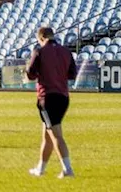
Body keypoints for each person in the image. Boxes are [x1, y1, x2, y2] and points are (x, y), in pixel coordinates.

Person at [26, 26, 77, 178]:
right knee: (47, 135)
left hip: (47, 97)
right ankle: (40, 169)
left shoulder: (40, 51)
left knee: (55, 135)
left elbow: (31, 74)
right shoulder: (66, 51)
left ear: (41, 38)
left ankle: (67, 169)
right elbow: (72, 74)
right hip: (63, 97)